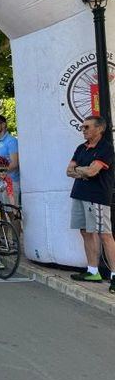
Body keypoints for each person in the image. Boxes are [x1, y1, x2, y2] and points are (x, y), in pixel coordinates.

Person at [66, 115, 115, 291]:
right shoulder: (81, 148)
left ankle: (114, 275)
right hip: (79, 194)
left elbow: (93, 171)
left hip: (97, 197)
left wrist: (80, 170)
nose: (83, 130)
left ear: (99, 129)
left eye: (87, 127)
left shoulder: (106, 148)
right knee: (85, 232)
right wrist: (82, 171)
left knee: (105, 234)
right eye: (82, 127)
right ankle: (92, 271)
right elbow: (68, 171)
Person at [0, 114, 20, 202]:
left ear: (3, 125)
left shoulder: (11, 141)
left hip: (11, 181)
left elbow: (14, 163)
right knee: (3, 211)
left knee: (12, 212)